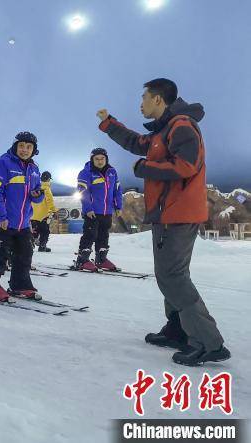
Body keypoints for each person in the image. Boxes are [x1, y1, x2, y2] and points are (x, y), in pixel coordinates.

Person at [97, 77, 229, 366]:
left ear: (158, 99)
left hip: (178, 214)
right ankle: (179, 329)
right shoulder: (165, 130)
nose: (140, 104)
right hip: (169, 213)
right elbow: (135, 142)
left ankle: (209, 342)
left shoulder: (181, 126)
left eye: (143, 98)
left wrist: (144, 168)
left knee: (173, 276)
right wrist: (109, 124)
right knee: (169, 275)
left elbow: (186, 166)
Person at [0, 132, 43, 301]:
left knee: (25, 253)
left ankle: (20, 285)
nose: (25, 150)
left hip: (22, 222)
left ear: (34, 150)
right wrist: (1, 216)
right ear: (15, 146)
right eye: (21, 146)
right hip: (2, 220)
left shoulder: (34, 169)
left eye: (29, 147)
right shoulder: (2, 164)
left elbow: (37, 194)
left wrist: (38, 195)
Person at [72, 149, 122, 270]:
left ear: (106, 159)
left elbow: (117, 190)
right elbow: (83, 192)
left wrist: (118, 206)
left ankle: (101, 259)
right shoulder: (86, 173)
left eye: (102, 159)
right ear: (92, 160)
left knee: (103, 235)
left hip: (107, 211)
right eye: (97, 159)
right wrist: (88, 208)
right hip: (92, 212)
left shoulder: (112, 172)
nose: (100, 161)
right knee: (90, 235)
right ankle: (82, 260)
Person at [30, 171, 57, 252]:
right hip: (43, 214)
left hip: (33, 214)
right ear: (48, 179)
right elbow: (49, 200)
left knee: (34, 230)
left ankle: (30, 244)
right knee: (45, 231)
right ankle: (42, 246)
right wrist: (54, 210)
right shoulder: (46, 188)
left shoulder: (35, 186)